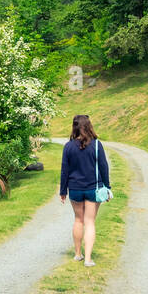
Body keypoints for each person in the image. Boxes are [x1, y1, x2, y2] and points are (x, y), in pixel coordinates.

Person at [60, 114, 109, 266]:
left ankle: (77, 254)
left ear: (74, 126)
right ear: (89, 126)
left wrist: (63, 191)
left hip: (74, 189)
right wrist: (107, 187)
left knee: (78, 220)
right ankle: (88, 259)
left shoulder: (68, 146)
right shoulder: (96, 145)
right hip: (93, 188)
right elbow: (103, 167)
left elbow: (64, 170)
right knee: (90, 222)